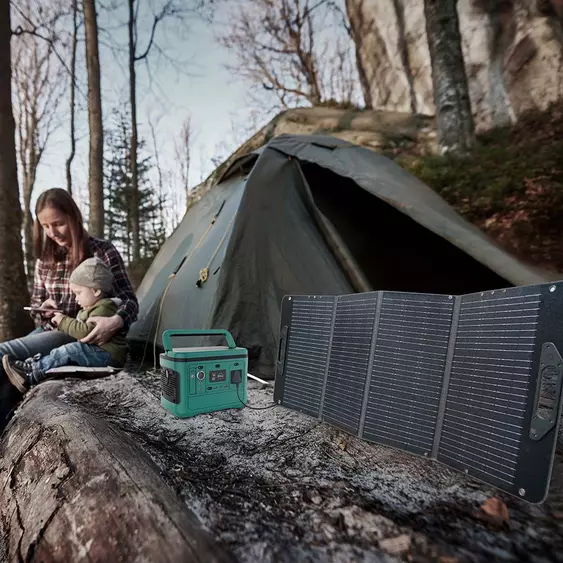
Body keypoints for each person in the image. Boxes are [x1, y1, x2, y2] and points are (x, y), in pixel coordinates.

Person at [0, 188, 138, 422]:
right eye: (45, 227)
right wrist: (44, 309)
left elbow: (130, 301)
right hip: (51, 330)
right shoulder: (44, 260)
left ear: (73, 217)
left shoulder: (102, 252)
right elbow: (36, 306)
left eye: (58, 223)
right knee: (8, 366)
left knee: (3, 352)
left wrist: (114, 321)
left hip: (79, 335)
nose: (52, 232)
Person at [2, 257, 129, 393]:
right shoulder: (91, 307)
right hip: (98, 351)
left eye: (78, 293)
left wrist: (63, 321)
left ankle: (30, 374)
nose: (76, 298)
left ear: (96, 291)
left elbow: (86, 332)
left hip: (107, 354)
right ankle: (30, 366)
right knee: (63, 350)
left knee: (66, 352)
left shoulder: (105, 307)